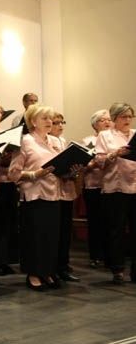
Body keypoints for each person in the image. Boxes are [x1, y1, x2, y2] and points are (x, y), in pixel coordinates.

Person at [8, 104, 62, 291]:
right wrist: (34, 174)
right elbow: (13, 173)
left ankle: (47, 271)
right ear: (33, 121)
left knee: (50, 237)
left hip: (54, 194)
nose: (49, 121)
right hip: (33, 195)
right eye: (44, 118)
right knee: (35, 237)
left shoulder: (56, 141)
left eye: (50, 118)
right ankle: (33, 274)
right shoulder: (25, 141)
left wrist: (71, 170)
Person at [94, 102, 136, 285]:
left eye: (130, 116)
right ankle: (117, 269)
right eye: (123, 116)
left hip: (135, 186)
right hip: (115, 188)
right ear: (114, 118)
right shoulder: (105, 135)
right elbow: (99, 161)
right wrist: (115, 154)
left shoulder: (134, 133)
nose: (127, 120)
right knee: (116, 230)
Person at [49, 112, 80, 282]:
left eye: (62, 122)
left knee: (65, 232)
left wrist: (74, 171)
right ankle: (53, 267)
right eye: (56, 123)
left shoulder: (63, 141)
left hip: (66, 190)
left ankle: (63, 266)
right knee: (55, 232)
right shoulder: (47, 142)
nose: (60, 126)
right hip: (52, 192)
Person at [0, 100, 19, 275]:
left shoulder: (4, 133)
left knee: (8, 223)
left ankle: (5, 259)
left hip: (8, 181)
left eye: (0, 112)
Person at [82, 109, 111, 268]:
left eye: (109, 119)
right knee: (95, 222)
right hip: (93, 185)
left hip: (112, 186)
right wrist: (95, 163)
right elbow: (83, 166)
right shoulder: (88, 141)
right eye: (102, 120)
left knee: (110, 222)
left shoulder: (113, 140)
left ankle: (110, 256)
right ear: (94, 125)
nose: (107, 122)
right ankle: (95, 255)